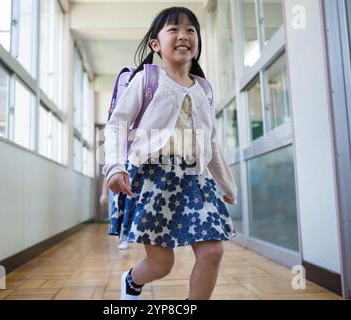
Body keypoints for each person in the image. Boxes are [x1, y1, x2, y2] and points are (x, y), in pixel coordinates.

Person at [103, 6, 237, 301]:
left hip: (195, 179)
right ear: (155, 44)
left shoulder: (204, 89)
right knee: (162, 264)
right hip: (153, 178)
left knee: (213, 250)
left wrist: (227, 184)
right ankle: (131, 281)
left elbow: (210, 142)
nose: (183, 36)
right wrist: (114, 166)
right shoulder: (148, 79)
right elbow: (116, 125)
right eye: (173, 29)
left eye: (190, 30)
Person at [99, 178, 129, 250]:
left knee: (126, 216)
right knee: (116, 217)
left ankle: (124, 239)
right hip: (114, 193)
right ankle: (122, 237)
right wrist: (104, 194)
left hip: (128, 191)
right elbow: (106, 176)